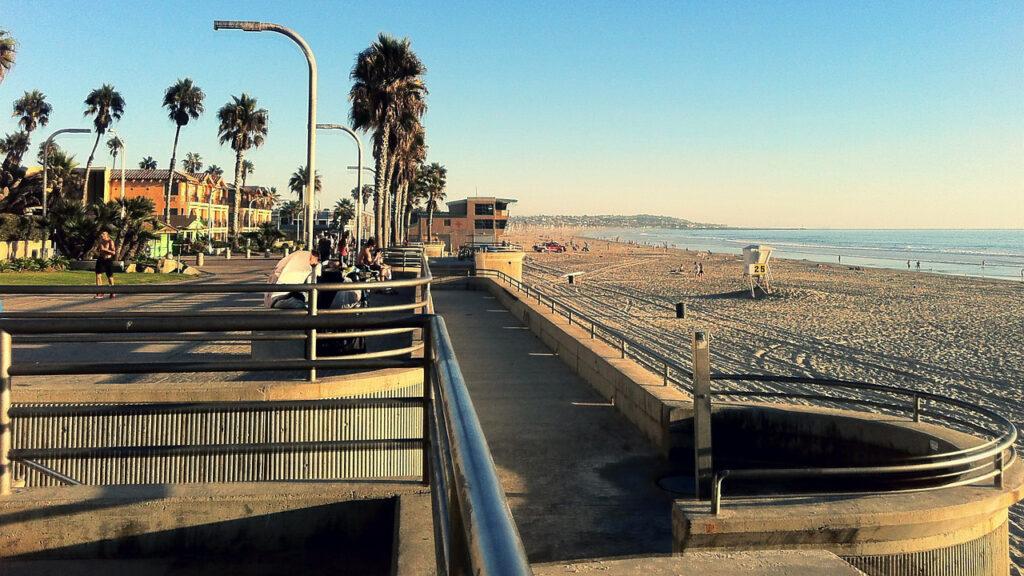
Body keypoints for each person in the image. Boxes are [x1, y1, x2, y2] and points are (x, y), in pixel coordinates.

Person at [94, 230, 117, 298]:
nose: (102, 235)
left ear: (107, 235)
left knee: (110, 276)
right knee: (98, 275)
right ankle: (100, 293)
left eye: (103, 234)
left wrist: (105, 250)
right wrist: (100, 251)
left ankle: (112, 292)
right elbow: (99, 250)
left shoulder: (110, 242)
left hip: (108, 260)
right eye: (101, 234)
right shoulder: (100, 241)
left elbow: (113, 252)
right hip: (101, 259)